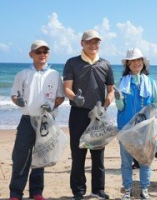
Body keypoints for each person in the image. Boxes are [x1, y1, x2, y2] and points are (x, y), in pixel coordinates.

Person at [9, 40, 65, 200]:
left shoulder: (54, 74)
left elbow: (60, 97)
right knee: (21, 157)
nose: (42, 55)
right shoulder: (22, 74)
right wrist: (17, 101)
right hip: (27, 120)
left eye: (45, 52)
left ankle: (36, 192)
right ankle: (15, 193)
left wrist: (53, 105)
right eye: (38, 52)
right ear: (31, 54)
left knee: (41, 157)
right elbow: (14, 94)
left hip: (46, 122)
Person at [63, 29, 114, 200]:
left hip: (98, 115)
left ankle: (98, 190)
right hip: (78, 114)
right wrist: (74, 98)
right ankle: (78, 191)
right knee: (78, 154)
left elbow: (111, 91)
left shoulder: (105, 64)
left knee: (98, 154)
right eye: (89, 42)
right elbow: (67, 88)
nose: (93, 45)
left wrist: (105, 105)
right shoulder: (72, 63)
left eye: (96, 42)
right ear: (82, 43)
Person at [114, 48, 157, 200]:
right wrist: (118, 98)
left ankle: (144, 189)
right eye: (132, 60)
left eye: (139, 60)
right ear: (128, 64)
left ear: (143, 63)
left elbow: (155, 105)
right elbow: (120, 107)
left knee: (144, 161)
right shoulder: (121, 82)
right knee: (126, 162)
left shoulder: (150, 82)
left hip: (144, 130)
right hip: (125, 129)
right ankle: (127, 190)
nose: (136, 63)